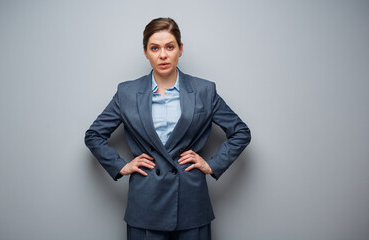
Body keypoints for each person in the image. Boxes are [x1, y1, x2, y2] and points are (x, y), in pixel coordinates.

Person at [85, 17, 251, 240]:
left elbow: (240, 132)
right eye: (155, 48)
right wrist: (121, 166)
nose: (163, 55)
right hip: (145, 204)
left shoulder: (204, 90)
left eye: (169, 47)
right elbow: (94, 135)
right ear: (146, 52)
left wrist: (211, 164)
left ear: (180, 50)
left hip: (191, 202)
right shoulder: (127, 93)